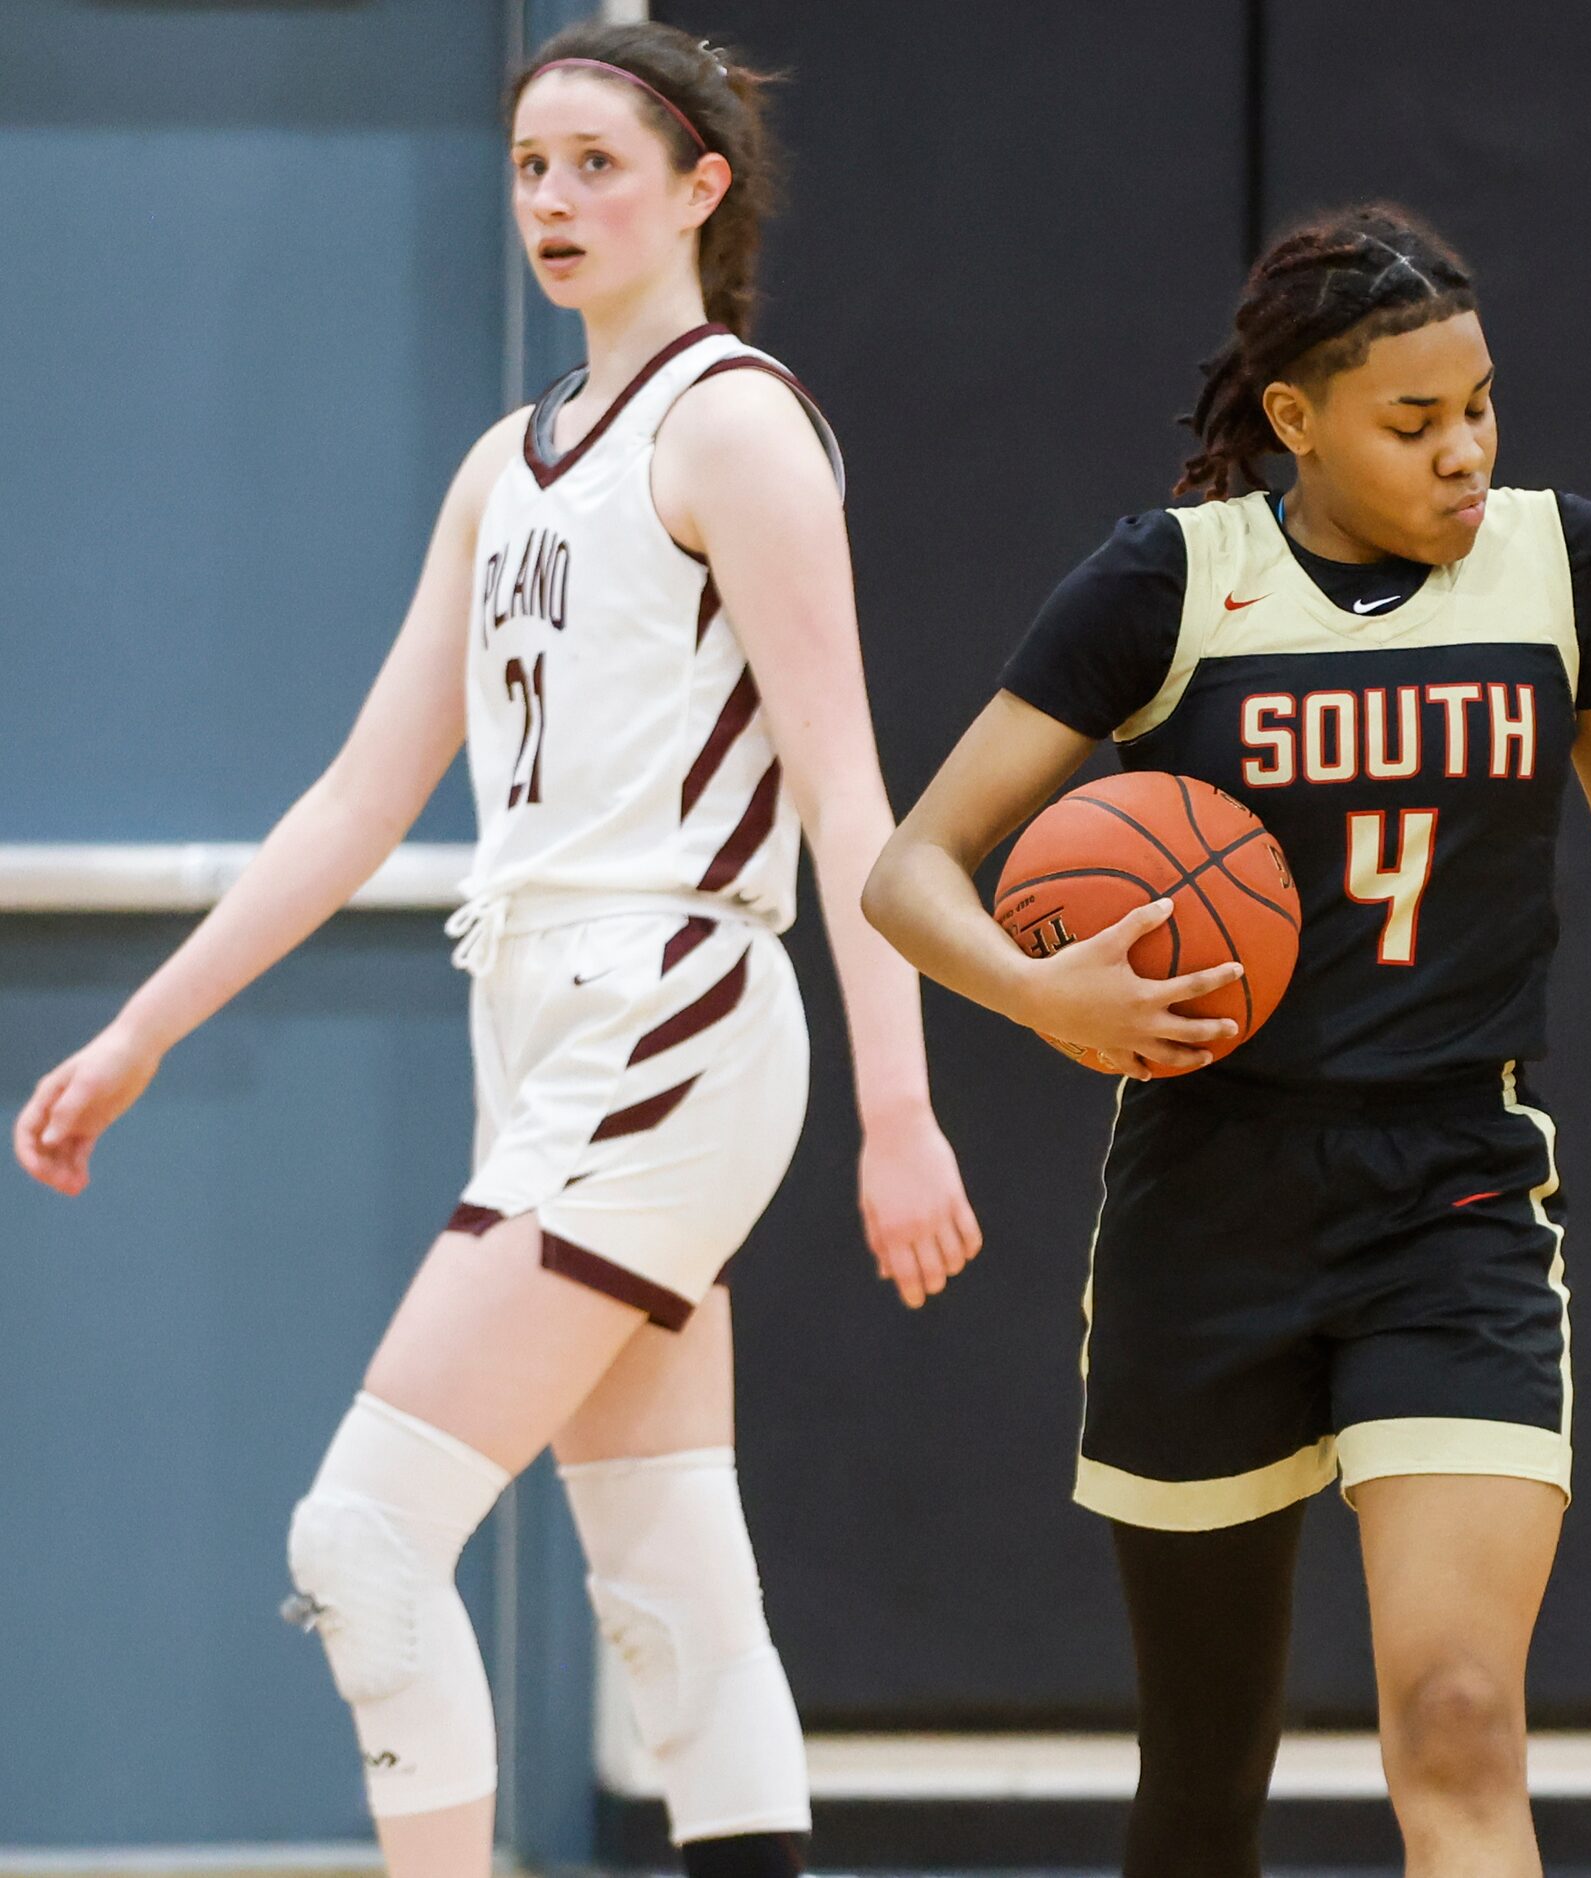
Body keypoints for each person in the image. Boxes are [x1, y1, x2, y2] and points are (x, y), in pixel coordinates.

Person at [12, 24, 979, 1878]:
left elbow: (854, 792)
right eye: (530, 165)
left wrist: (901, 1107)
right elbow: (358, 803)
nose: (552, 199)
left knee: (361, 1536)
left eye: (597, 163)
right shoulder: (503, 467)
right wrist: (144, 1027)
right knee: (667, 1553)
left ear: (703, 185)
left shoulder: (734, 421)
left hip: (679, 1001)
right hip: (539, 1010)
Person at [863, 203, 1591, 1878]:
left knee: (1454, 1715)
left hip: (1453, 1191)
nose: (1466, 452)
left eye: (1482, 406)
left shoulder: (1565, 562)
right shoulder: (1173, 579)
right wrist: (1037, 988)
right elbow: (908, 870)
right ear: (1293, 421)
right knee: (1204, 1770)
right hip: (1208, 1196)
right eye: (1414, 421)